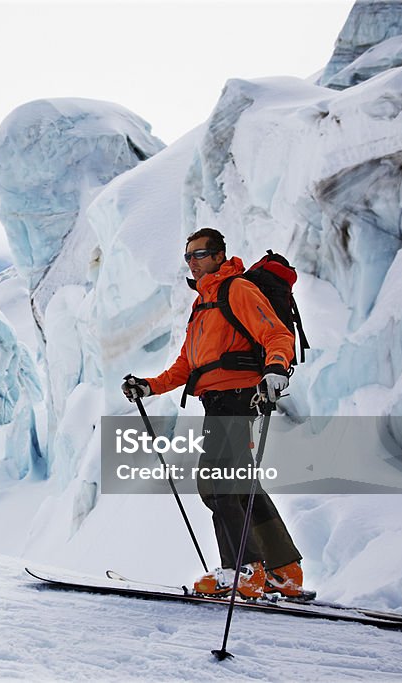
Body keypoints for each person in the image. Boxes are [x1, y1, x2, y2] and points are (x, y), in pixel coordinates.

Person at [122, 227, 304, 600]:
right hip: (217, 402)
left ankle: (243, 570)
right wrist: (149, 386)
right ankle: (284, 569)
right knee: (238, 483)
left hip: (238, 397)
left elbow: (277, 335)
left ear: (220, 255)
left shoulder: (237, 290)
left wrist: (275, 369)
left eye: (200, 254)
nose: (193, 262)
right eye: (188, 256)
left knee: (218, 482)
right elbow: (187, 364)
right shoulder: (203, 305)